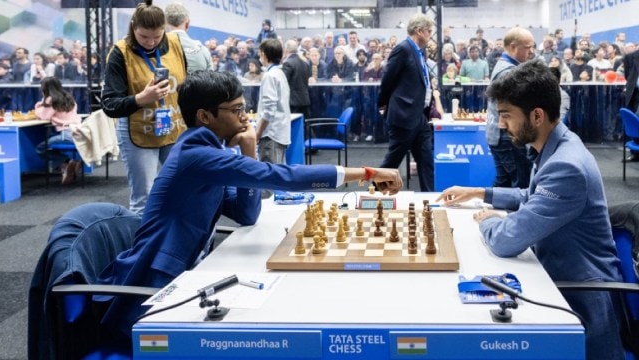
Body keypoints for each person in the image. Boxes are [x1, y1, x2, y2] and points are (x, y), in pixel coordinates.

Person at [96, 70, 403, 343]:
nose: (245, 117)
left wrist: (248, 151)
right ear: (205, 116)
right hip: (159, 288)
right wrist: (367, 173)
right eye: (236, 110)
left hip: (189, 273)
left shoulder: (211, 152)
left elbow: (246, 213)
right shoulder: (196, 154)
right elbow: (282, 176)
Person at [437, 60, 624, 360]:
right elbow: (532, 194)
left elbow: (505, 240)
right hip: (554, 277)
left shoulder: (567, 166)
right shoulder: (557, 144)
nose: (501, 124)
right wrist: (480, 193)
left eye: (507, 115)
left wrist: (486, 221)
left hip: (578, 302)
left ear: (537, 116)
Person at [101, 0, 187, 215]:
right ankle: (143, 248)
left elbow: (188, 86)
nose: (150, 43)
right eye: (144, 37)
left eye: (157, 36)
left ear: (164, 29)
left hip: (174, 129)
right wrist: (141, 98)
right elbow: (110, 104)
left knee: (182, 190)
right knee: (144, 197)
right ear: (133, 28)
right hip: (138, 133)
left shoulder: (175, 44)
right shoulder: (120, 53)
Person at [377, 13, 435, 192]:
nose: (430, 36)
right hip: (403, 115)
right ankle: (371, 196)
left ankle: (430, 201)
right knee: (391, 164)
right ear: (419, 31)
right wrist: (383, 104)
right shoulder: (403, 49)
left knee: (426, 162)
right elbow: (387, 80)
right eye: (429, 31)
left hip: (419, 116)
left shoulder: (420, 51)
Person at [485, 27, 535, 189]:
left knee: (504, 183)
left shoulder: (504, 66)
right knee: (519, 185)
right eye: (527, 47)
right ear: (513, 46)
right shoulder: (510, 72)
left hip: (500, 135)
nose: (531, 52)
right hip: (508, 136)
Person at [255, 39, 291, 197]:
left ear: (264, 54)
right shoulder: (279, 73)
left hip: (271, 134)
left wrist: (257, 133)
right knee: (278, 177)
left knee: (268, 181)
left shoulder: (270, 76)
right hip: (279, 132)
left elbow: (269, 110)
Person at [34, 77, 82, 184]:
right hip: (78, 132)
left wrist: (38, 106)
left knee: (41, 148)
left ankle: (65, 162)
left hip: (66, 134)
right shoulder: (69, 97)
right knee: (50, 140)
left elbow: (44, 116)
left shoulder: (51, 99)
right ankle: (67, 165)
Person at [164, 2, 211, 72]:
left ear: (165, 22)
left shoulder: (156, 48)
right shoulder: (203, 51)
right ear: (188, 23)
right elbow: (213, 80)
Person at [281, 39, 311, 119]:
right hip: (305, 100)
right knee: (303, 127)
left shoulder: (287, 63)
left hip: (293, 102)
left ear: (286, 50)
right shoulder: (305, 63)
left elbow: (283, 81)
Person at [623, 43, 639, 161]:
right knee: (634, 123)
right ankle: (635, 153)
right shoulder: (631, 57)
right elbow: (627, 75)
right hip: (635, 94)